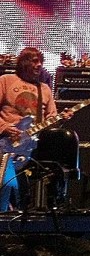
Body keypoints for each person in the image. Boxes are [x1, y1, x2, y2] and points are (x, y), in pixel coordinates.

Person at [0, 47, 60, 210]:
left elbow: (51, 117)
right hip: (5, 143)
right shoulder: (6, 80)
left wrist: (60, 119)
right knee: (8, 185)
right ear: (23, 63)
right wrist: (4, 127)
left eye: (41, 62)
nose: (39, 65)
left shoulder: (44, 89)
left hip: (32, 146)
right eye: (34, 61)